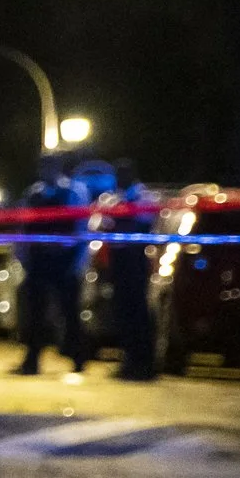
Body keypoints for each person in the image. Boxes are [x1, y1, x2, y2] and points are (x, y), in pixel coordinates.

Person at [11, 156, 87, 376]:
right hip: (39, 262)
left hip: (64, 261)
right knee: (35, 314)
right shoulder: (33, 193)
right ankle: (32, 360)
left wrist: (78, 263)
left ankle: (78, 357)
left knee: (70, 313)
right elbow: (22, 227)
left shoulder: (73, 192)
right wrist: (23, 258)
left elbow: (80, 228)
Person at [103, 163, 159, 381]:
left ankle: (144, 363)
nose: (118, 179)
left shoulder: (143, 197)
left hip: (135, 262)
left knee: (138, 314)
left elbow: (144, 223)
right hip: (119, 262)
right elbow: (104, 224)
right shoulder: (115, 198)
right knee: (123, 313)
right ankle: (129, 360)